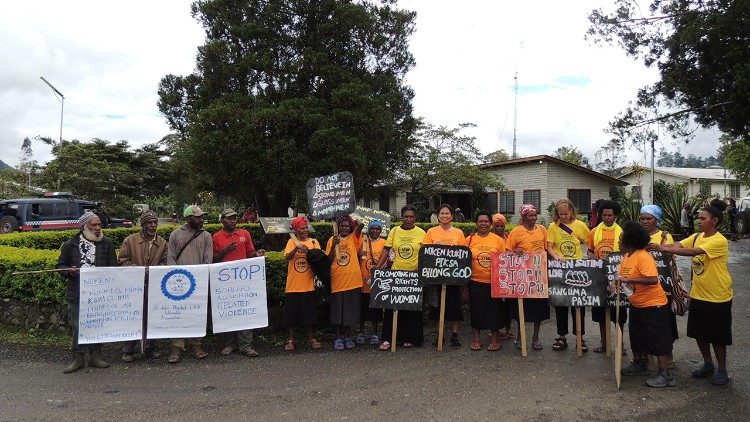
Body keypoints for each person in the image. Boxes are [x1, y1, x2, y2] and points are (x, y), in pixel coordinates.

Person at [659, 198, 733, 385]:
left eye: (703, 218)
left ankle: (722, 369)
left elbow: (692, 252)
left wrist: (662, 248)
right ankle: (708, 364)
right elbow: (677, 246)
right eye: (698, 218)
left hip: (718, 295)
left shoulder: (719, 240)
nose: (699, 221)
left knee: (718, 336)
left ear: (715, 220)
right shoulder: (697, 236)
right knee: (699, 333)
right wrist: (656, 246)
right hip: (698, 294)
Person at [616, 222, 676, 388]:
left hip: (653, 304)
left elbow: (652, 279)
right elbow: (624, 278)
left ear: (629, 241)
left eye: (621, 239)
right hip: (637, 304)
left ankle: (666, 374)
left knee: (657, 339)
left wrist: (628, 280)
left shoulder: (643, 256)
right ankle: (639, 364)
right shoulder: (627, 257)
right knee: (636, 336)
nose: (619, 242)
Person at [56, 211, 118, 373]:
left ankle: (95, 357)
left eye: (99, 225)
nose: (98, 228)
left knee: (97, 324)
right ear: (84, 226)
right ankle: (77, 359)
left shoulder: (107, 243)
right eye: (94, 225)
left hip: (99, 295)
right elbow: (60, 266)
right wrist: (68, 271)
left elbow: (114, 268)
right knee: (78, 326)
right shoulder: (71, 245)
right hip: (77, 294)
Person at [213, 208, 266, 357]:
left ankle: (246, 345)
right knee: (228, 312)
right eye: (229, 218)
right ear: (222, 220)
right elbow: (213, 258)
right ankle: (230, 345)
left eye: (234, 218)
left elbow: (249, 253)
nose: (232, 221)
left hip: (243, 281)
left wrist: (256, 254)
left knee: (244, 312)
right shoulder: (216, 237)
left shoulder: (244, 234)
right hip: (225, 282)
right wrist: (225, 251)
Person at [118, 210, 168, 362]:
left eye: (155, 223)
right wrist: (139, 271)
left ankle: (150, 349)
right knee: (132, 317)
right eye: (149, 223)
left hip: (153, 286)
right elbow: (122, 260)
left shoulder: (162, 243)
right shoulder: (130, 240)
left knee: (152, 317)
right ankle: (128, 350)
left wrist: (154, 271)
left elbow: (165, 263)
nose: (153, 226)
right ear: (143, 224)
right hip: (133, 286)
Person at [166, 205, 213, 364]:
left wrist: (201, 277)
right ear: (188, 218)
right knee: (178, 314)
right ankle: (177, 346)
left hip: (198, 282)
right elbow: (171, 258)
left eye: (201, 217)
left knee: (197, 314)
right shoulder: (175, 234)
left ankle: (196, 345)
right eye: (197, 217)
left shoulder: (206, 235)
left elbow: (208, 259)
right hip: (179, 283)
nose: (201, 220)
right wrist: (174, 279)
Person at [376, 205, 426, 350]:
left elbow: (425, 253)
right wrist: (378, 267)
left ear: (415, 218)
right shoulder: (395, 230)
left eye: (411, 217)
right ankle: (387, 339)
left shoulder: (421, 233)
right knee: (392, 308)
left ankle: (410, 338)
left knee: (411, 309)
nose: (408, 219)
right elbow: (387, 248)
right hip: (396, 274)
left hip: (414, 276)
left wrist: (422, 271)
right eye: (406, 216)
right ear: (401, 217)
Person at [547, 198, 591, 352]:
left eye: (566, 214)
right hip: (560, 269)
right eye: (560, 214)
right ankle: (561, 336)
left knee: (578, 304)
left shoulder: (580, 225)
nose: (563, 217)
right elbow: (549, 247)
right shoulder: (553, 226)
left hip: (578, 269)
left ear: (571, 211)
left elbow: (590, 242)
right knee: (560, 303)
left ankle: (580, 336)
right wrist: (555, 256)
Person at [422, 204, 467, 348]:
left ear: (452, 216)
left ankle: (454, 336)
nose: (445, 216)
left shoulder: (459, 233)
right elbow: (426, 252)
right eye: (442, 213)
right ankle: (439, 335)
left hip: (454, 278)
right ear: (438, 216)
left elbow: (463, 254)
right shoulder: (431, 232)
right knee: (436, 308)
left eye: (447, 213)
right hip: (436, 277)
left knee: (455, 308)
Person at [506, 204, 549, 351]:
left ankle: (535, 337)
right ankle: (520, 336)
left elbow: (546, 249)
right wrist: (515, 251)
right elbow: (507, 253)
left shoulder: (542, 229)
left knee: (539, 309)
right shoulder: (516, 232)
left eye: (535, 214)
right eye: (530, 215)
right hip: (521, 276)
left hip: (539, 276)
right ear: (523, 217)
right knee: (520, 308)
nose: (534, 217)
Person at [641, 204, 678, 367]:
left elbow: (672, 257)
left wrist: (660, 248)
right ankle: (647, 356)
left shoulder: (665, 237)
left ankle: (668, 356)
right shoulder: (638, 236)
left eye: (649, 219)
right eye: (642, 218)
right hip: (643, 288)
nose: (645, 222)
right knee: (646, 324)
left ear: (657, 220)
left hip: (664, 288)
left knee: (666, 324)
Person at [587, 200, 626, 354]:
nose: (607, 218)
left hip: (618, 277)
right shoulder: (594, 231)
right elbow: (590, 251)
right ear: (600, 215)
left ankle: (620, 345)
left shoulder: (622, 233)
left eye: (610, 215)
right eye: (604, 215)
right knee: (601, 314)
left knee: (619, 314)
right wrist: (593, 258)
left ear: (615, 216)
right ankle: (604, 344)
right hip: (599, 277)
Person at [467, 211, 507, 351]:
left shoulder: (498, 240)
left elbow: (505, 260)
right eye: (480, 221)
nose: (483, 223)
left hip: (494, 281)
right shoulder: (469, 240)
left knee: (494, 312)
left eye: (486, 221)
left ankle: (495, 340)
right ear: (476, 223)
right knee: (476, 311)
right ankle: (476, 339)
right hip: (475, 281)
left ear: (490, 224)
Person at [283, 216, 323, 351]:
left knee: (310, 314)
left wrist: (308, 252)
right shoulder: (291, 241)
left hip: (308, 284)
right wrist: (296, 248)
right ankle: (291, 339)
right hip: (293, 285)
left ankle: (311, 338)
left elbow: (319, 260)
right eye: (302, 228)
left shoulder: (313, 241)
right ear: (296, 230)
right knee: (291, 315)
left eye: (306, 228)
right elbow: (287, 257)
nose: (305, 230)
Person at [326, 214, 364, 350]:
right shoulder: (332, 239)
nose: (344, 228)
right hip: (337, 280)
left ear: (350, 227)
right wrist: (333, 246)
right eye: (342, 226)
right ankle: (338, 337)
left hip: (353, 281)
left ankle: (347, 336)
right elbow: (329, 260)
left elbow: (361, 226)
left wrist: (352, 215)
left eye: (347, 226)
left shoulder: (354, 238)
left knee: (350, 311)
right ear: (338, 227)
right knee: (337, 312)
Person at [357, 220, 385, 345]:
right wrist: (359, 254)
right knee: (362, 309)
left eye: (377, 229)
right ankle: (361, 332)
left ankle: (375, 333)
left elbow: (388, 259)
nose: (375, 231)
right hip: (362, 281)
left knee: (376, 309)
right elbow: (355, 256)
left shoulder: (384, 243)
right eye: (372, 228)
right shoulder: (362, 241)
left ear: (380, 230)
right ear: (369, 229)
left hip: (377, 282)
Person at [491, 213, 512, 339]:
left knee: (508, 304)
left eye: (501, 225)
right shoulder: (490, 237)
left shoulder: (509, 237)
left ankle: (508, 329)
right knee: (497, 306)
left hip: (508, 275)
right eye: (497, 226)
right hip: (494, 276)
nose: (499, 228)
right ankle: (495, 329)